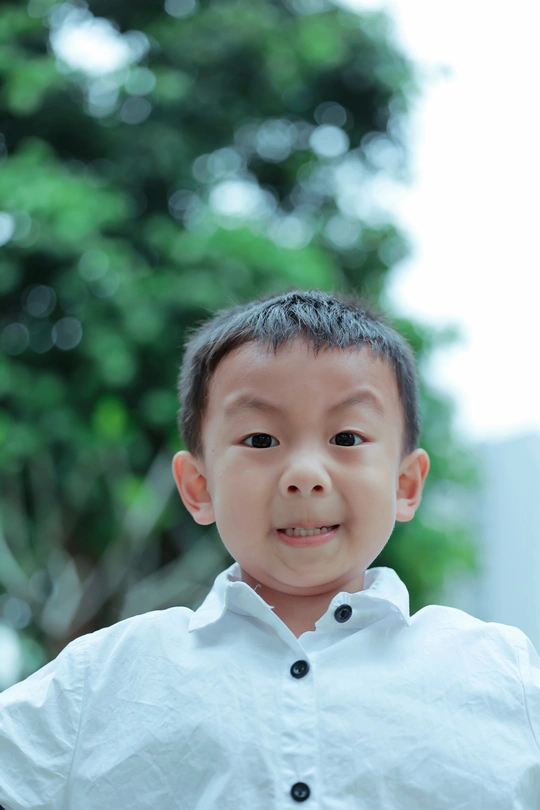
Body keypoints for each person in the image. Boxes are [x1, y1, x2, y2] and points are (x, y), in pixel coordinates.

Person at [0, 288, 539, 809]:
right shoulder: (104, 678)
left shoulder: (500, 673)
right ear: (198, 487)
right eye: (260, 440)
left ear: (405, 484)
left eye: (347, 438)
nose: (304, 474)